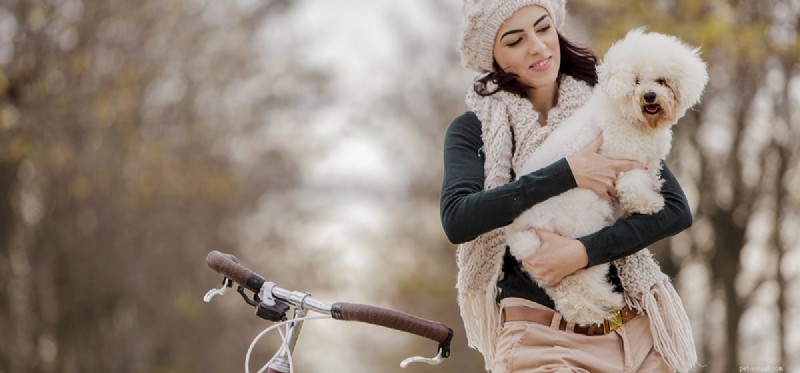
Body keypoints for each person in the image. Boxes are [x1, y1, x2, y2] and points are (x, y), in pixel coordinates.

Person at [440, 1, 698, 372]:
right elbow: (458, 218)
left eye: (543, 28)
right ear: (492, 56)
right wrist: (568, 173)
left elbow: (674, 210)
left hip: (637, 338)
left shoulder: (609, 104)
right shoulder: (472, 130)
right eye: (515, 40)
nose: (538, 47)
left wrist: (582, 252)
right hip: (544, 342)